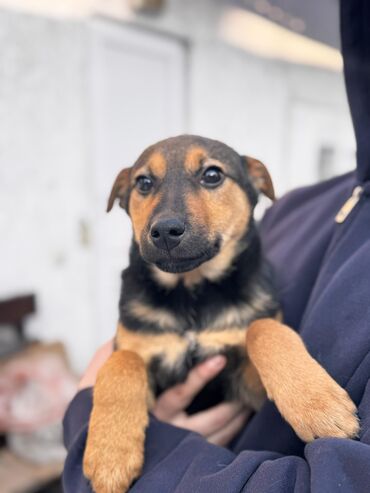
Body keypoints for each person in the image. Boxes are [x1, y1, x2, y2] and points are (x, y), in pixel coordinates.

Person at [63, 1, 370, 491]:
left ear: (254, 191)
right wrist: (108, 389)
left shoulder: (257, 289)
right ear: (123, 200)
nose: (168, 217)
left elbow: (253, 391)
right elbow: (121, 363)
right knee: (123, 361)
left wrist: (270, 341)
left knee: (266, 334)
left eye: (210, 177)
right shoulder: (300, 211)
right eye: (145, 185)